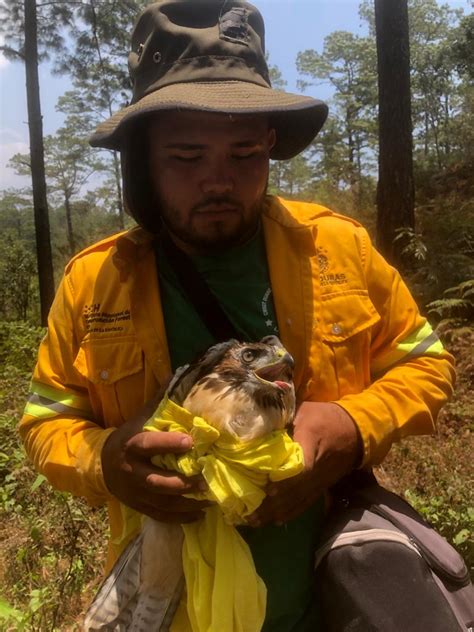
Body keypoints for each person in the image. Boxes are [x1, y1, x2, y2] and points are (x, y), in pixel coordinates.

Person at [19, 1, 455, 630]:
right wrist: (106, 461)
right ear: (143, 156)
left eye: (244, 153)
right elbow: (46, 419)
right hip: (174, 608)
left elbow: (426, 365)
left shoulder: (338, 248)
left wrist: (351, 427)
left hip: (330, 596)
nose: (218, 182)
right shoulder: (95, 282)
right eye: (187, 157)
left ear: (272, 145)